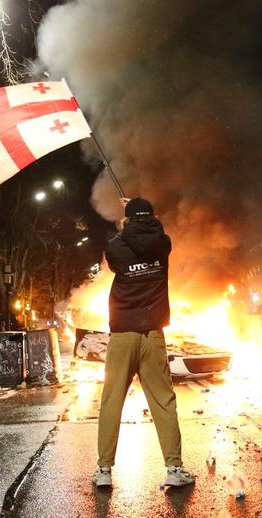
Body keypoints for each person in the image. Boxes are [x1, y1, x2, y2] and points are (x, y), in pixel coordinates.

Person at [93, 197, 194, 489]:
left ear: (127, 221)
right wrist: (145, 217)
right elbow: (154, 234)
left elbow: (121, 246)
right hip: (153, 335)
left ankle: (104, 471)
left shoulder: (116, 247)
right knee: (163, 402)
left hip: (123, 334)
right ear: (152, 217)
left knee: (112, 401)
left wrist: (129, 222)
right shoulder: (163, 244)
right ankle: (174, 469)